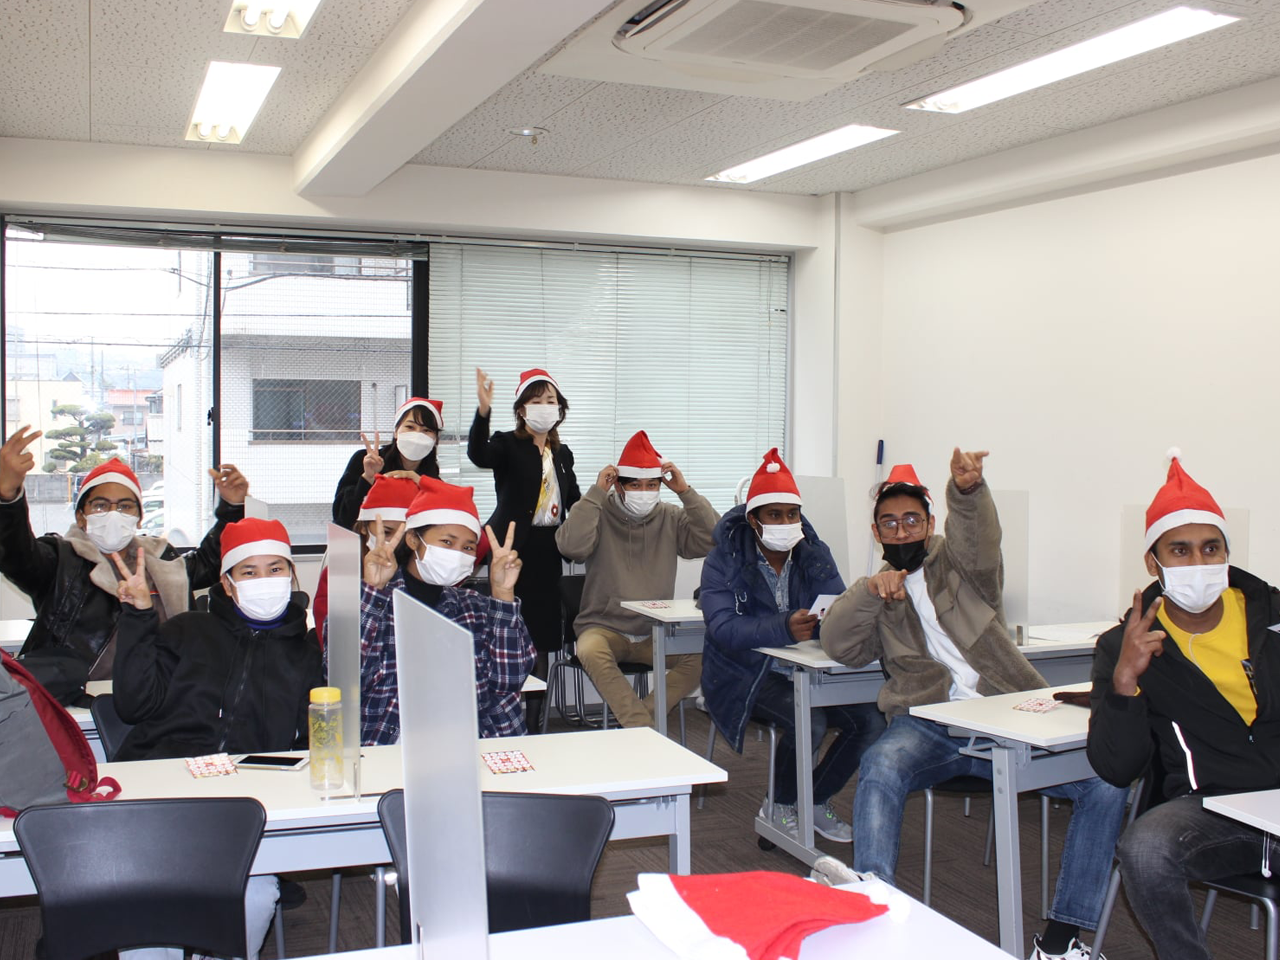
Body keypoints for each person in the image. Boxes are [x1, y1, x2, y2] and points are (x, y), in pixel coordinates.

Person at [822, 450, 1128, 960]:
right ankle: (872, 900)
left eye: (912, 521)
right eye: (890, 524)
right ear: (876, 533)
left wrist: (967, 492)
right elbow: (839, 647)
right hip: (927, 723)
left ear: (930, 524)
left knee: (1106, 780)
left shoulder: (963, 568)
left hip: (1005, 711)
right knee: (879, 761)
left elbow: (979, 540)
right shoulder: (875, 590)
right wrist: (870, 594)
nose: (901, 531)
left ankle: (1060, 940)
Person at [1088, 453, 1280, 960]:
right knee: (1145, 850)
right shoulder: (1124, 644)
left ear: (1227, 553)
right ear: (1154, 564)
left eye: (1210, 548)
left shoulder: (1273, 617)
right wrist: (1126, 680)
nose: (1199, 563)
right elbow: (1116, 768)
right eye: (1180, 550)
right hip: (1213, 810)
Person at [112, 517, 322, 960]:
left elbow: (310, 741)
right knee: (145, 896)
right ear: (226, 583)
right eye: (249, 571)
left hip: (242, 806)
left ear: (291, 575)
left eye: (275, 569)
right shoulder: (187, 630)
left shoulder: (305, 652)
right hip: (163, 793)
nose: (264, 580)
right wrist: (138, 617)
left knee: (256, 894)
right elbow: (133, 705)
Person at [701, 449, 885, 842]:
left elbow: (836, 608)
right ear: (753, 519)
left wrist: (835, 622)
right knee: (809, 721)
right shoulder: (724, 559)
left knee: (872, 720)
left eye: (792, 514)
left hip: (808, 668)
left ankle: (814, 799)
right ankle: (780, 805)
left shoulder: (814, 553)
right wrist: (783, 626)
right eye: (775, 515)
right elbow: (723, 629)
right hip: (746, 672)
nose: (786, 524)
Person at [0, 426, 247, 687]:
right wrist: (7, 497)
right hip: (82, 693)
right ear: (81, 516)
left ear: (139, 518)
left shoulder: (161, 558)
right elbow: (17, 555)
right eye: (100, 505)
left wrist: (232, 507)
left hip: (164, 690)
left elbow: (210, 562)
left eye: (125, 506)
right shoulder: (60, 560)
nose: (113, 514)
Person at [555, 430, 717, 729]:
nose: (644, 492)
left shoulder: (670, 516)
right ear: (619, 485)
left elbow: (711, 539)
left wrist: (686, 492)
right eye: (636, 485)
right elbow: (571, 547)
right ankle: (641, 726)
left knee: (704, 656)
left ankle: (641, 722)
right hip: (603, 628)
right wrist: (595, 494)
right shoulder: (598, 512)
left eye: (652, 485)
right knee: (589, 650)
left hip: (654, 630)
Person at [357, 476, 534, 745]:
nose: (458, 553)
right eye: (448, 542)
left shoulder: (475, 607)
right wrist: (373, 591)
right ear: (413, 539)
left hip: (472, 745)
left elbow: (510, 679)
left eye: (468, 547)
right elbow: (349, 680)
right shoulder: (376, 604)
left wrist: (503, 594)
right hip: (391, 747)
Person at [468, 367, 580, 686]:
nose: (545, 407)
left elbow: (574, 499)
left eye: (550, 400)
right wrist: (483, 410)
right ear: (521, 410)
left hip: (548, 552)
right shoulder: (506, 444)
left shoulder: (562, 454)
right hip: (512, 549)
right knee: (511, 633)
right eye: (536, 401)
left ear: (560, 408)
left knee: (540, 639)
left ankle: (535, 714)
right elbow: (479, 455)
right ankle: (507, 706)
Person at [314, 474, 417, 649]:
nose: (396, 541)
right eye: (386, 531)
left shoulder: (419, 572)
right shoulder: (339, 575)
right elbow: (335, 649)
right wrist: (372, 589)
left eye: (405, 533)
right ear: (363, 527)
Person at [332, 397, 443, 530]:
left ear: (436, 439)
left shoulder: (432, 479)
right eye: (410, 427)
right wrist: (368, 478)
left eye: (427, 430)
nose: (417, 435)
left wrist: (422, 484)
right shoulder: (365, 460)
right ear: (396, 431)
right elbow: (342, 519)